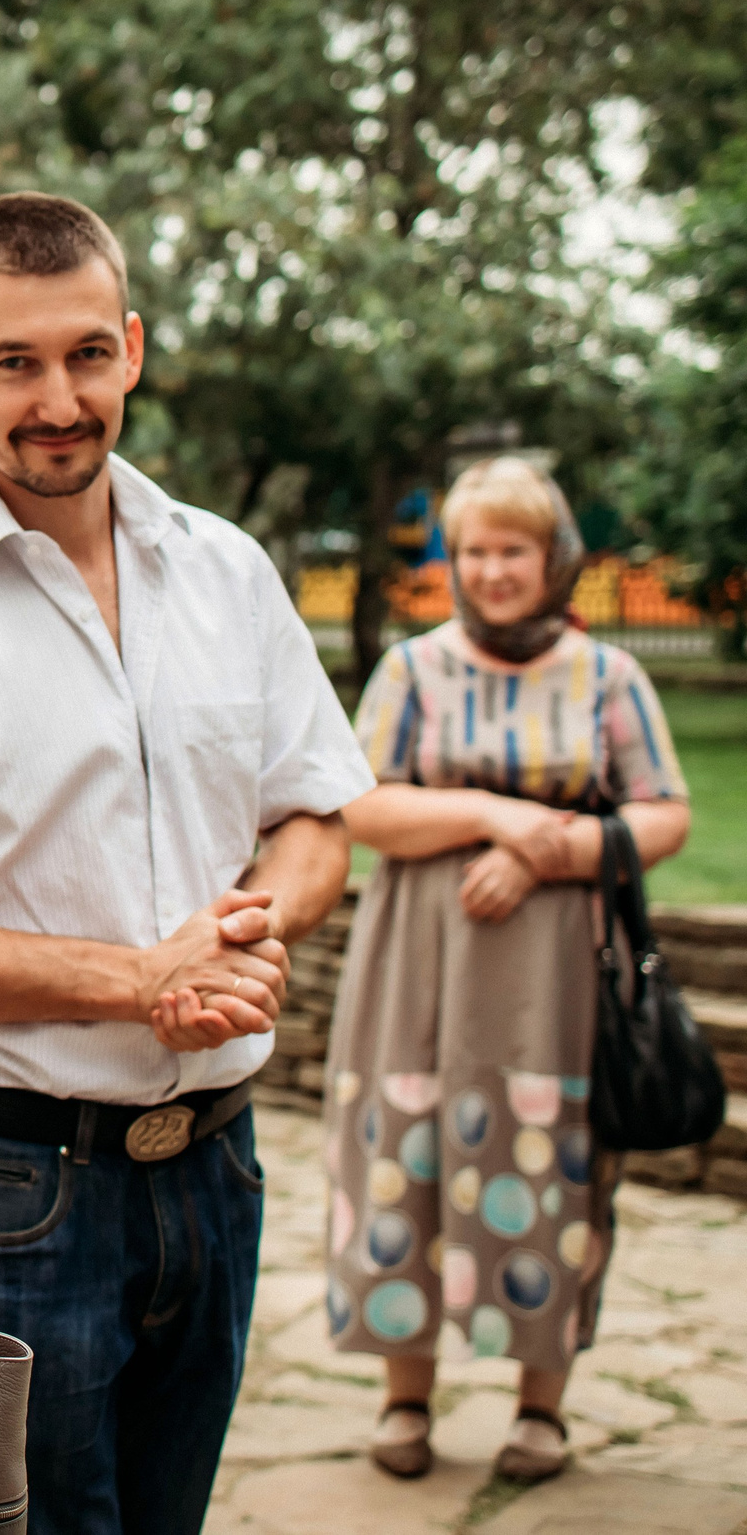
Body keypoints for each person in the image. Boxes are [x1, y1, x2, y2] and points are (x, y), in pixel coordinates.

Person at [0, 192, 375, 1535]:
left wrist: (237, 936)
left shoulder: (229, 569)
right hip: (10, 1186)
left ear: (130, 346)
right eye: (13, 363)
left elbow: (316, 821)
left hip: (220, 1170)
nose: (59, 398)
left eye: (84, 355)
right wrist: (136, 979)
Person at [329, 454, 690, 1484]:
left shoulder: (608, 677)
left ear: (554, 561)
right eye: (474, 551)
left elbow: (662, 809)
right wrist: (502, 819)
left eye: (513, 552)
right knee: (406, 1152)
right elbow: (363, 806)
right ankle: (404, 1392)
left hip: (555, 970)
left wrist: (551, 853)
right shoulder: (409, 671)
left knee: (552, 1159)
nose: (491, 571)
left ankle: (541, 1406)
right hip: (416, 961)